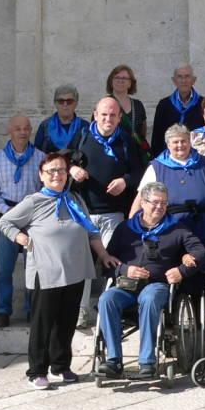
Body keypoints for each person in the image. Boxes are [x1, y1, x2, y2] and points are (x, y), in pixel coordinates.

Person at [0, 152, 117, 389]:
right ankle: (37, 371)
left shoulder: (75, 199)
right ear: (42, 175)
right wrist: (20, 237)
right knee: (43, 323)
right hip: (47, 270)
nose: (57, 175)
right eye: (51, 170)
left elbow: (92, 231)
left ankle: (60, 366)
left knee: (66, 321)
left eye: (61, 170)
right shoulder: (34, 201)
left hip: (75, 270)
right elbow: (5, 222)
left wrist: (104, 255)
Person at [96, 182, 205, 378]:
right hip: (126, 286)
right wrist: (124, 269)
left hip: (157, 285)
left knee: (149, 298)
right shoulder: (125, 228)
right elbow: (107, 261)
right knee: (107, 299)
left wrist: (182, 270)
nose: (159, 207)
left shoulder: (177, 228)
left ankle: (147, 361)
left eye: (164, 203)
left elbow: (201, 252)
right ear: (143, 202)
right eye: (155, 202)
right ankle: (113, 360)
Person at [68, 97, 147, 329]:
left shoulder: (125, 140)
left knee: (112, 263)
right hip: (85, 212)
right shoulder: (83, 136)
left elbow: (140, 170)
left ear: (120, 118)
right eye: (104, 114)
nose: (108, 119)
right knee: (83, 264)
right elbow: (63, 158)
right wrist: (72, 168)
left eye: (113, 115)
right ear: (95, 115)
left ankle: (109, 310)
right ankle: (80, 312)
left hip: (114, 214)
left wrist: (125, 180)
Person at [0, 114, 45, 328]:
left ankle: (31, 308)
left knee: (33, 266)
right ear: (10, 131)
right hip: (6, 216)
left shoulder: (39, 158)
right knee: (4, 267)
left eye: (26, 128)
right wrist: (5, 211)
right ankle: (3, 309)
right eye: (18, 129)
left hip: (31, 217)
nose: (22, 132)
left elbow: (44, 190)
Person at [132, 124, 205, 243]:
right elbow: (141, 197)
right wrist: (132, 225)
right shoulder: (156, 166)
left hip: (204, 225)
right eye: (175, 142)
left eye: (184, 141)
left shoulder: (204, 163)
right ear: (168, 145)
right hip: (170, 228)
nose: (180, 145)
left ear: (190, 142)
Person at [150, 65, 205, 156]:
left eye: (187, 76)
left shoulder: (203, 104)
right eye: (179, 77)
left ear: (194, 80)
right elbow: (157, 137)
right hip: (169, 157)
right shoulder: (164, 105)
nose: (183, 81)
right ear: (174, 80)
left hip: (196, 156)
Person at [106, 65, 149, 155]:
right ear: (111, 82)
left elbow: (142, 131)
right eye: (117, 77)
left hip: (136, 154)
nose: (120, 80)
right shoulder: (104, 104)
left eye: (124, 78)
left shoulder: (138, 105)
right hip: (112, 153)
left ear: (130, 83)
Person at [34, 84, 89, 153]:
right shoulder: (45, 126)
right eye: (61, 101)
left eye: (69, 101)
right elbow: (37, 152)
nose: (65, 105)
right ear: (55, 103)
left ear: (76, 104)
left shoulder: (84, 126)